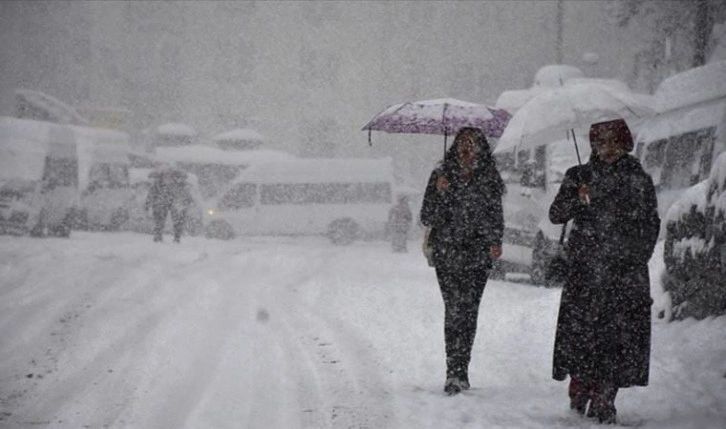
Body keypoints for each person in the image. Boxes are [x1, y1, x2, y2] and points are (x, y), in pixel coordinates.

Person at [549, 118, 660, 424]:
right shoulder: (579, 175)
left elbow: (650, 225)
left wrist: (635, 258)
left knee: (617, 340)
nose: (608, 149)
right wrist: (576, 197)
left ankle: (605, 398)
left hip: (624, 274)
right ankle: (581, 385)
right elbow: (556, 214)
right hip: (585, 273)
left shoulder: (638, 179)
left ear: (625, 144)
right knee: (583, 336)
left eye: (614, 142)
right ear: (593, 145)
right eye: (601, 142)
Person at [420, 127, 505, 395]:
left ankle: (462, 369)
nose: (467, 149)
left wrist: (495, 241)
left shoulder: (489, 179)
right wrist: (440, 192)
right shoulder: (441, 176)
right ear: (455, 147)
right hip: (447, 253)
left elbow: (495, 215)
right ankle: (452, 371)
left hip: (477, 255)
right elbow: (426, 216)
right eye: (463, 143)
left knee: (469, 311)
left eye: (473, 144)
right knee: (454, 309)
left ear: (481, 148)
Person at [145, 169, 193, 243]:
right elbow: (151, 194)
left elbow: (187, 196)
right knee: (164, 220)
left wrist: (148, 204)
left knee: (171, 220)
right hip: (167, 203)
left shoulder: (161, 184)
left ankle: (168, 237)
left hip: (168, 203)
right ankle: (163, 236)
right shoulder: (159, 184)